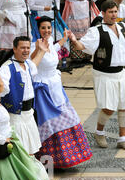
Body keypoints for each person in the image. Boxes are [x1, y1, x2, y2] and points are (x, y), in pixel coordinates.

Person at [67, 0, 125, 150]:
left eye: (115, 11)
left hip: (120, 72)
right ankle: (99, 132)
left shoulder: (123, 27)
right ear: (103, 14)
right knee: (108, 108)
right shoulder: (96, 31)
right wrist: (73, 40)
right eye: (110, 12)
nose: (114, 15)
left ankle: (122, 139)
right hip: (103, 74)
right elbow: (83, 46)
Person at [30, 16, 92, 168]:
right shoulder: (35, 45)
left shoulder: (50, 42)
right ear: (38, 29)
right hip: (43, 90)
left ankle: (69, 156)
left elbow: (54, 49)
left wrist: (64, 39)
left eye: (49, 28)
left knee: (69, 117)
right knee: (51, 124)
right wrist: (39, 50)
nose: (46, 31)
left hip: (56, 87)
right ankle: (49, 161)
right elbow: (31, 64)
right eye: (43, 28)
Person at [0, 72, 53, 180]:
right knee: (13, 177)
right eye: (1, 81)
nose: (4, 82)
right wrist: (3, 140)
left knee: (27, 169)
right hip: (1, 148)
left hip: (7, 143)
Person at [0, 36, 49, 155]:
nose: (26, 50)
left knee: (31, 151)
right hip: (15, 117)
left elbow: (35, 64)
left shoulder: (28, 65)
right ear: (14, 49)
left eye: (28, 47)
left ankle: (28, 172)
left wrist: (42, 50)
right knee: (20, 151)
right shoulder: (6, 69)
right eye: (22, 48)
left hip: (29, 115)